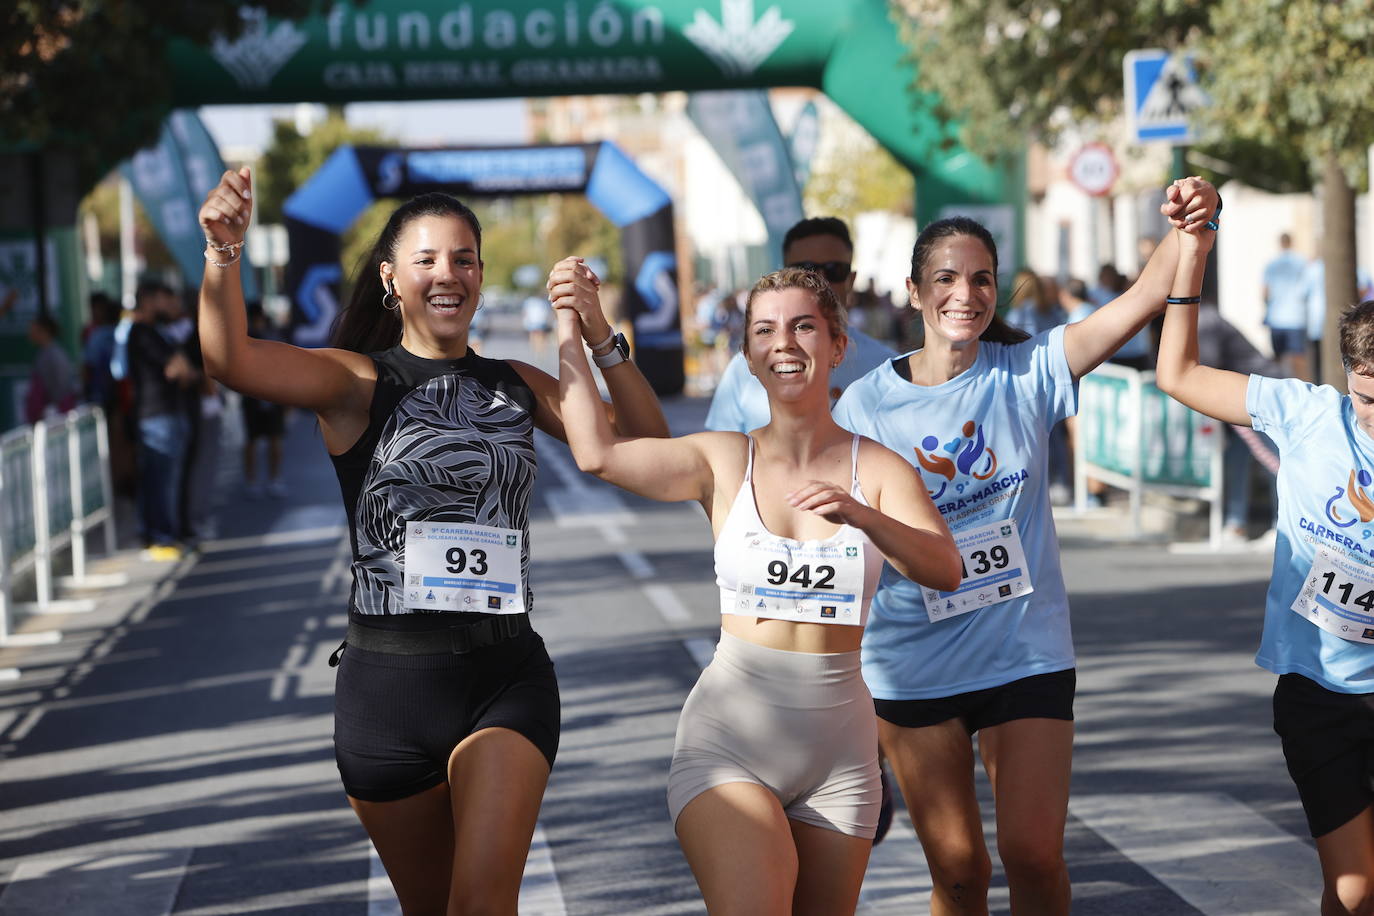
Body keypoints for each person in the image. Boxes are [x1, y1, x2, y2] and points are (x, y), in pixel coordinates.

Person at [196, 166, 667, 914]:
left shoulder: (515, 384)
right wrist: (222, 252)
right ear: (391, 278)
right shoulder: (357, 384)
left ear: (480, 275)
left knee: (482, 902)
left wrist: (599, 334)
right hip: (388, 691)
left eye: (464, 259)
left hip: (504, 680)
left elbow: (648, 446)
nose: (448, 275)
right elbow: (232, 360)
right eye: (427, 260)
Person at [832, 177, 1219, 916]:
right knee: (958, 872)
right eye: (946, 279)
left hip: (1026, 651)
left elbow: (1141, 298)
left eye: (981, 279)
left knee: (1034, 855)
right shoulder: (867, 405)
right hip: (914, 661)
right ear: (914, 293)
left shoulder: (1029, 372)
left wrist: (1190, 221)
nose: (965, 295)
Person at [556, 264, 961, 915]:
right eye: (765, 330)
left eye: (804, 326)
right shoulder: (720, 457)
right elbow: (597, 453)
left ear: (837, 345)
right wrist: (570, 325)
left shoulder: (880, 468)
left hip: (841, 755)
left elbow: (945, 569)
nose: (784, 343)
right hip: (729, 742)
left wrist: (866, 516)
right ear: (746, 354)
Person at [1156, 235, 1374, 916]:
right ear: (1348, 377)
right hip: (1321, 695)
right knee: (1356, 887)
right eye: (1369, 395)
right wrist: (1192, 257)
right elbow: (1181, 374)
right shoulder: (1309, 414)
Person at [705, 217, 897, 433]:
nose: (820, 280)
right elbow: (722, 452)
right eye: (805, 270)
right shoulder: (745, 367)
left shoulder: (886, 367)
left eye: (833, 269)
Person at [126, 284, 199, 560]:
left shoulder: (160, 331)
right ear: (150, 300)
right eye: (165, 298)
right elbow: (176, 369)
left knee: (167, 480)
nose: (171, 305)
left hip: (167, 414)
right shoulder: (142, 333)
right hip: (157, 416)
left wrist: (185, 370)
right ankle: (160, 536)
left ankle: (166, 534)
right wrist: (184, 371)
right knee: (161, 482)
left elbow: (184, 367)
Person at [239, 302, 288, 499]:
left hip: (262, 395)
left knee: (264, 440)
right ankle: (265, 479)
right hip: (263, 395)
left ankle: (261, 480)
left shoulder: (249, 337)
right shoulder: (266, 336)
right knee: (262, 440)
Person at [1263, 233, 1312, 380]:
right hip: (1296, 317)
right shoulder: (1302, 262)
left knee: (1278, 359)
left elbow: (1265, 292)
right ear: (1292, 242)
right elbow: (1308, 288)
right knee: (1299, 358)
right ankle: (1303, 391)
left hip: (1277, 317)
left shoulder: (1272, 264)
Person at [24, 314, 78, 424]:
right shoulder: (44, 353)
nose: (30, 333)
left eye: (34, 329)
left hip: (56, 417)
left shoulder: (54, 354)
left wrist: (52, 409)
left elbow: (63, 387)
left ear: (44, 330)